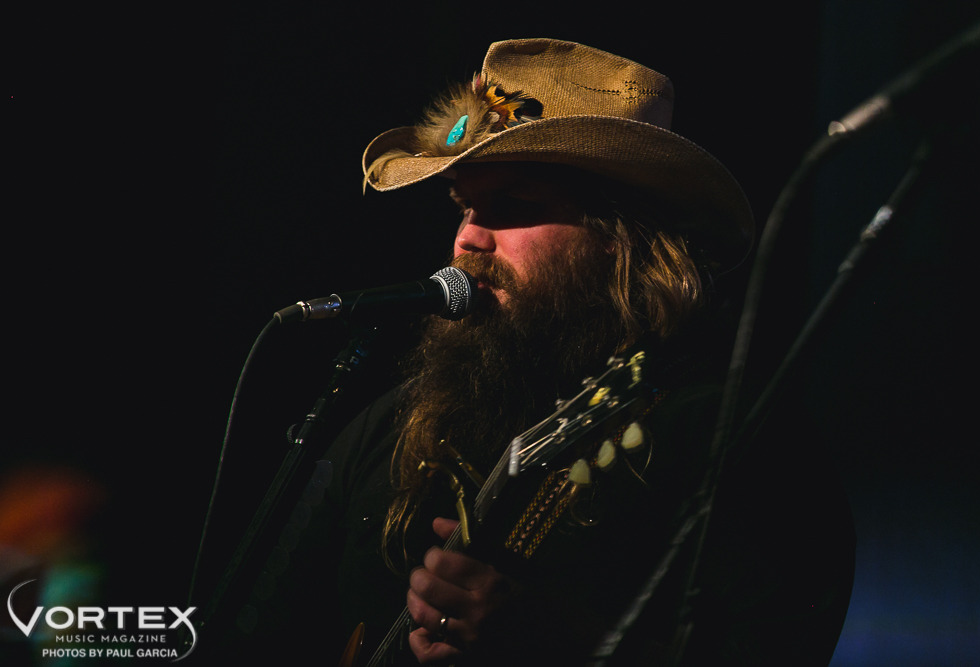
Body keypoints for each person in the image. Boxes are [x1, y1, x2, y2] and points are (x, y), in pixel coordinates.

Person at [212, 38, 855, 666]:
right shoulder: (389, 423)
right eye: (466, 207)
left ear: (619, 238)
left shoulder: (730, 437)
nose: (469, 239)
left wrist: (557, 644)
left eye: (514, 206)